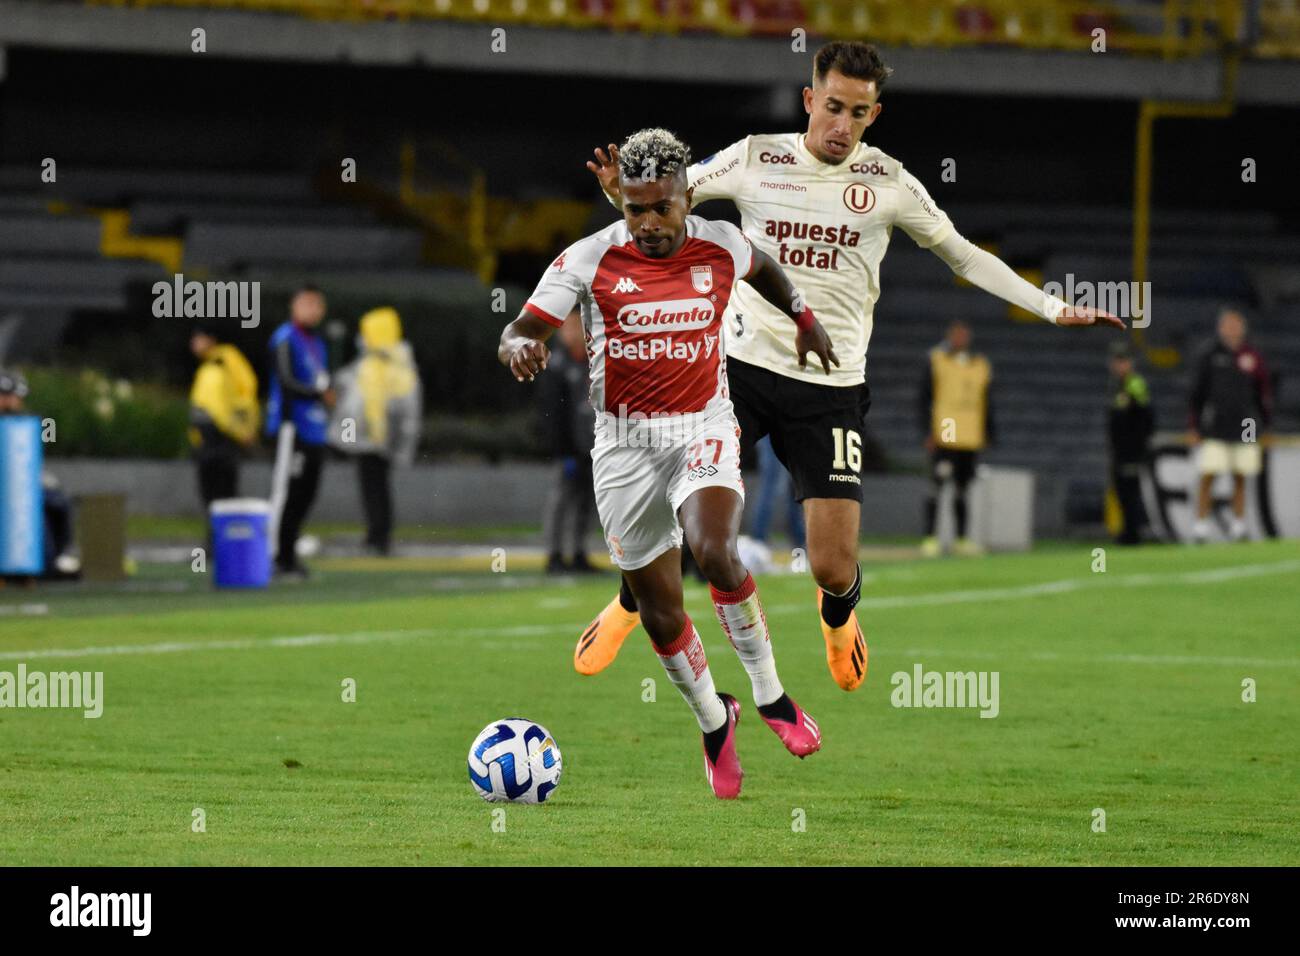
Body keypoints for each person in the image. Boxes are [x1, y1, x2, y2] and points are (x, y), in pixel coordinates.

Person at [578, 41, 1123, 689]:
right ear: (810, 100)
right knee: (671, 510)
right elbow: (666, 203)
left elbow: (963, 255)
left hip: (831, 387)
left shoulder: (889, 183)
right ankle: (628, 601)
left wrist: (1052, 308)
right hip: (737, 370)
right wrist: (623, 199)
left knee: (833, 567)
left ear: (874, 114)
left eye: (857, 113)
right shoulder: (755, 157)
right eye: (832, 107)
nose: (841, 125)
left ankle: (839, 620)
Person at [498, 128, 837, 799]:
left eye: (663, 207)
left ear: (689, 196)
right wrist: (516, 348)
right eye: (635, 209)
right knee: (660, 610)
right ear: (620, 202)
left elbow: (766, 270)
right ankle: (716, 721)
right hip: (624, 448)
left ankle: (771, 696)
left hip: (704, 427)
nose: (650, 223)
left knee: (716, 550)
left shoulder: (720, 242)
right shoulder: (588, 259)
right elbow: (520, 329)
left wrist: (803, 318)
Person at [328, 307, 422, 556]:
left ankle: (378, 536)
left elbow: (360, 403)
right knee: (376, 489)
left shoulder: (382, 365)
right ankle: (378, 535)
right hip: (378, 441)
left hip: (374, 442)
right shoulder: (398, 362)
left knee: (374, 489)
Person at [265, 285, 334, 578]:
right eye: (306, 303)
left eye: (317, 305)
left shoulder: (318, 344)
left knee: (307, 493)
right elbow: (286, 381)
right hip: (291, 428)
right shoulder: (285, 338)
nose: (312, 310)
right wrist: (319, 395)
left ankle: (289, 553)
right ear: (294, 306)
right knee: (287, 494)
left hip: (315, 429)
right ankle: (277, 556)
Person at [1188, 308, 1272, 543]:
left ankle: (1238, 526)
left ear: (1243, 329)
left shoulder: (1252, 356)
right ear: (1221, 328)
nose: (1232, 330)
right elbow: (1197, 394)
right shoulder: (1210, 355)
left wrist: (1264, 425)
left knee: (1240, 476)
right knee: (1208, 475)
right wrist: (1194, 426)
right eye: (1228, 325)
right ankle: (1200, 527)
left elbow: (1262, 393)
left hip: (1246, 424)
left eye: (1236, 325)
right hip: (1215, 424)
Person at [919, 320, 993, 557]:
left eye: (964, 335)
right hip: (945, 436)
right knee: (936, 487)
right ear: (950, 337)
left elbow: (987, 402)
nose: (961, 340)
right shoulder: (937, 361)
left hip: (969, 437)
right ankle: (930, 538)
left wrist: (989, 432)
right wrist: (926, 431)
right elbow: (923, 399)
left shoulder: (979, 365)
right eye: (957, 335)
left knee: (962, 490)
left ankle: (961, 539)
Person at [0, 369, 79, 579]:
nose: (9, 401)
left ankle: (60, 555)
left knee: (58, 501)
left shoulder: (35, 421)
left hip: (23, 482)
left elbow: (47, 444)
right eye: (5, 395)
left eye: (13, 396)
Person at [536, 310, 598, 574]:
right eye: (571, 327)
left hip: (593, 446)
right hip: (568, 449)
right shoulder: (556, 363)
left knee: (587, 503)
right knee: (561, 500)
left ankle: (579, 551)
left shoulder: (593, 361)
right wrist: (561, 450)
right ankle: (554, 554)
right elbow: (551, 412)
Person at [188, 326, 259, 514]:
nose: (194, 344)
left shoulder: (219, 365)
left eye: (198, 337)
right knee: (221, 500)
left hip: (219, 441)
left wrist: (243, 431)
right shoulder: (217, 364)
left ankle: (219, 542)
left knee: (218, 501)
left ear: (211, 339)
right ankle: (218, 542)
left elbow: (222, 407)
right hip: (216, 441)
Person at [1106, 341, 1154, 545]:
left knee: (1130, 491)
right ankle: (1128, 531)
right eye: (1116, 361)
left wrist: (1139, 443)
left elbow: (1146, 415)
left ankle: (1132, 534)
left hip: (1131, 449)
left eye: (1122, 361)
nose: (1119, 366)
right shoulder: (1118, 386)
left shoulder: (1135, 384)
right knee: (1122, 491)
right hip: (1120, 448)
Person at [750, 435, 806, 553]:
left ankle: (801, 544)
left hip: (792, 426)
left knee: (795, 484)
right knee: (771, 484)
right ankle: (757, 544)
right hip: (773, 428)